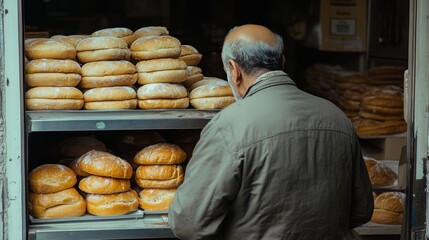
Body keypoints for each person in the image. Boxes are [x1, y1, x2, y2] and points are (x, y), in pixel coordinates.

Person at [168, 24, 373, 240]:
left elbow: (188, 225)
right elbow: (361, 211)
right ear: (282, 62)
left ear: (234, 70)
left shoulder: (228, 126)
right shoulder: (338, 118)